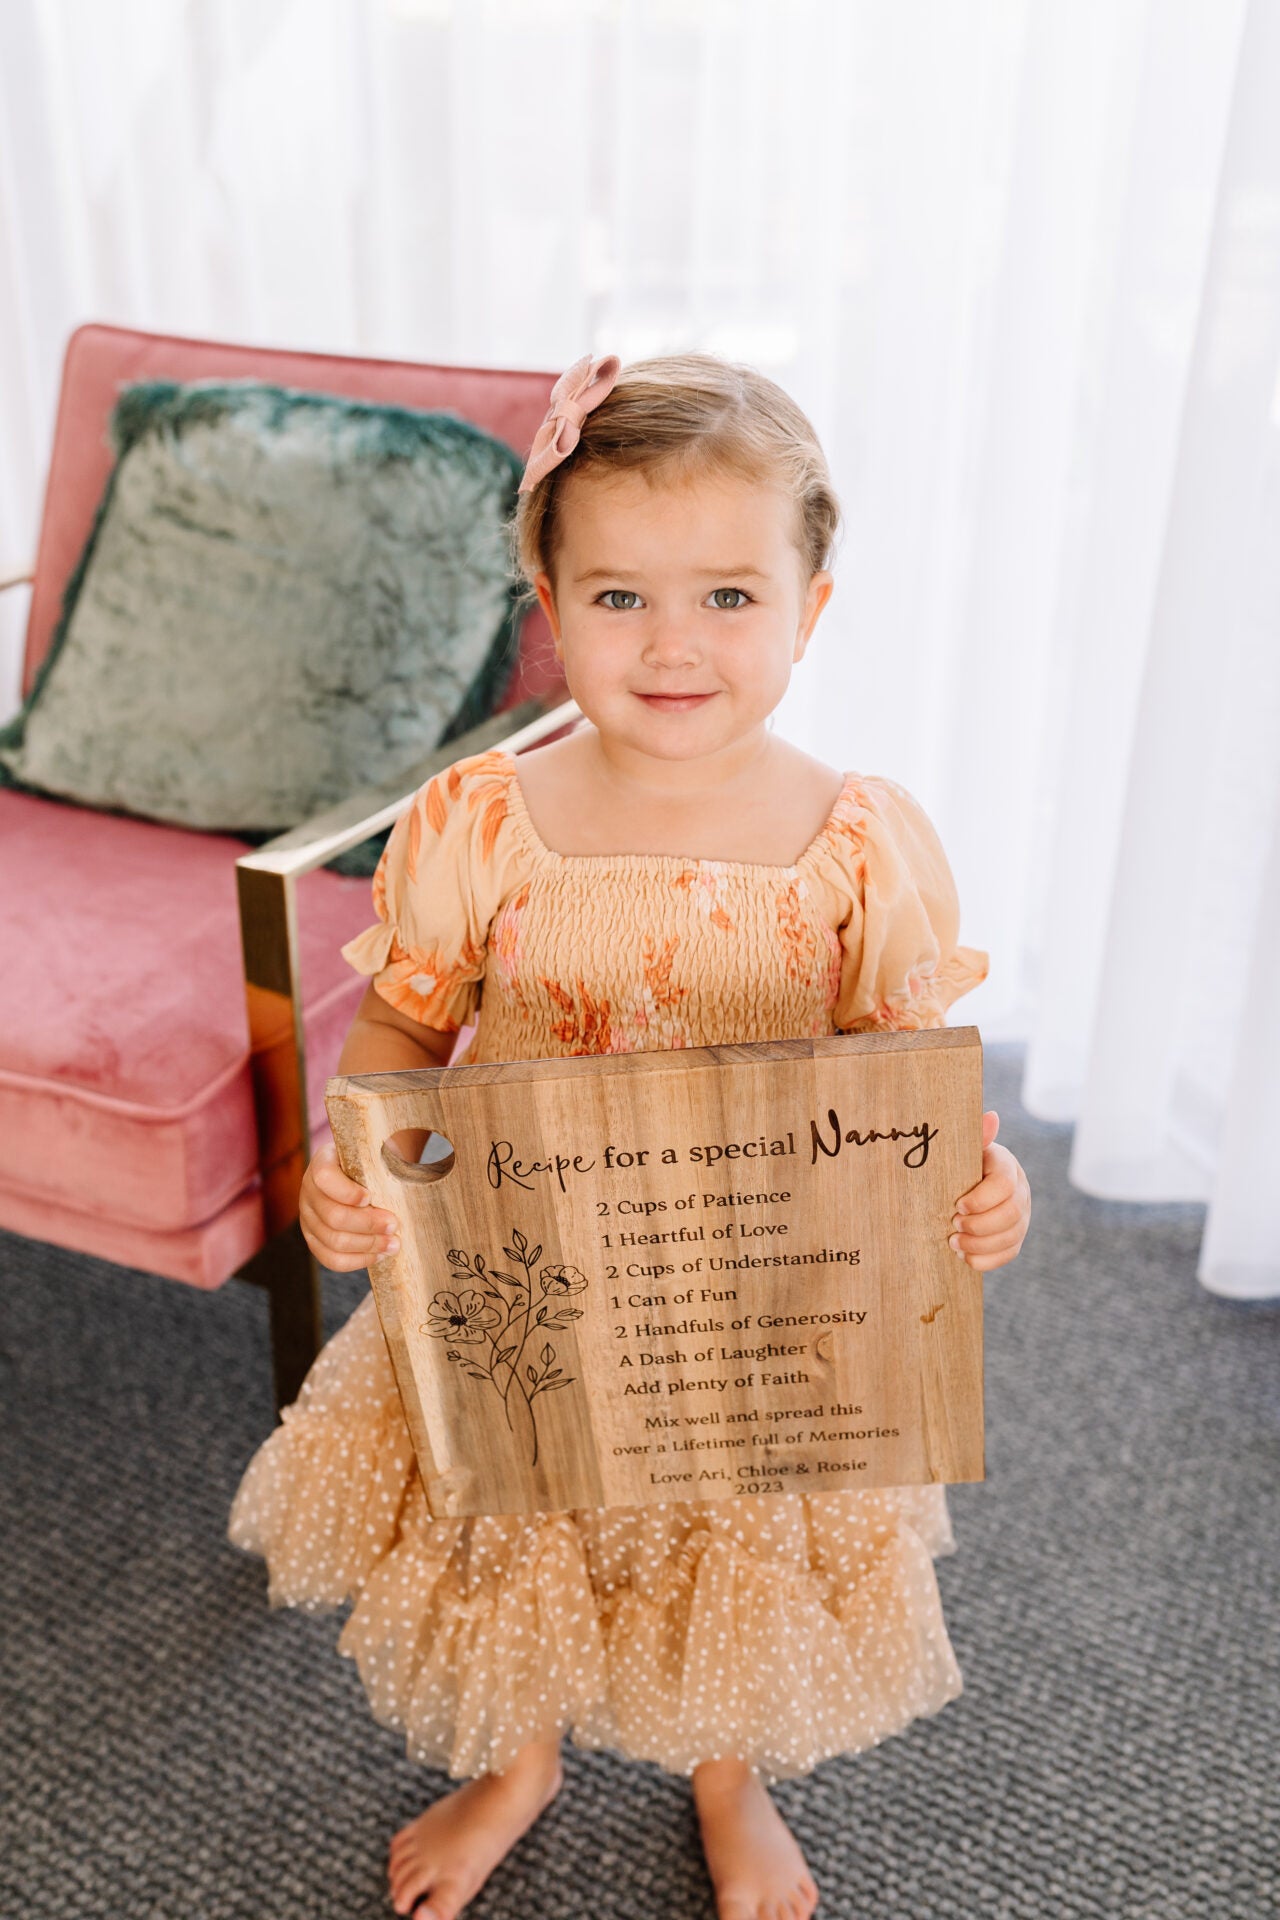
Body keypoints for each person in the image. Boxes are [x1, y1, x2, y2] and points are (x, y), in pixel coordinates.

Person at [228, 349, 1033, 1920]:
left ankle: (726, 1776)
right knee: (512, 1526)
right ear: (549, 596)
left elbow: (909, 1081)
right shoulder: (482, 821)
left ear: (810, 606)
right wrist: (354, 1158)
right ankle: (516, 1760)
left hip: (756, 1306)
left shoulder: (856, 841)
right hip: (525, 1285)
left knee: (734, 1552)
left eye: (730, 597)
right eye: (619, 599)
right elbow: (405, 1023)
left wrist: (980, 1183)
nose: (674, 646)